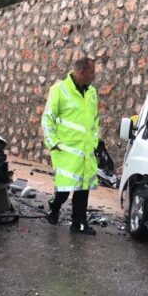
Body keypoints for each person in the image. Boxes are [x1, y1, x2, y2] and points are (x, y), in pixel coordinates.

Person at [41, 57, 100, 235]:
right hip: (65, 149)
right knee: (66, 186)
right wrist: (53, 143)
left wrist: (95, 141)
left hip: (86, 149)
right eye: (92, 72)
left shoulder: (91, 92)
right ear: (81, 72)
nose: (94, 75)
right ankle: (55, 205)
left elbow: (94, 120)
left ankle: (79, 223)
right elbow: (47, 118)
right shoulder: (59, 90)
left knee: (83, 186)